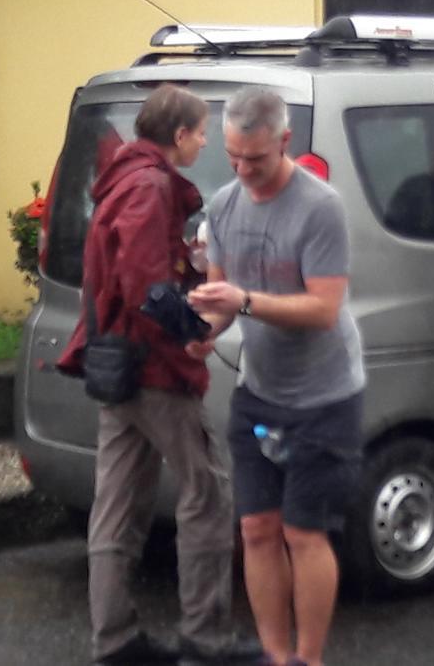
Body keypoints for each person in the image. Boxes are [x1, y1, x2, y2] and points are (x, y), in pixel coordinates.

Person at [58, 84, 261, 665]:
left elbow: (131, 269)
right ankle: (207, 637)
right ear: (179, 136)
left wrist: (186, 264)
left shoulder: (123, 179)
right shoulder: (149, 186)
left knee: (117, 503)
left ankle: (114, 640)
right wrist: (193, 332)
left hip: (116, 365)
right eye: (200, 132)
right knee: (207, 495)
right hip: (152, 370)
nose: (204, 140)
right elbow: (145, 284)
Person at [187, 87, 365, 666]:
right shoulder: (223, 205)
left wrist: (242, 302)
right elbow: (220, 299)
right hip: (258, 393)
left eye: (255, 159)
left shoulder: (320, 207)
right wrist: (201, 332)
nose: (242, 170)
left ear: (284, 142)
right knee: (258, 530)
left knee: (304, 533)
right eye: (233, 158)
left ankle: (309, 660)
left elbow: (322, 310)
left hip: (324, 398)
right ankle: (276, 656)